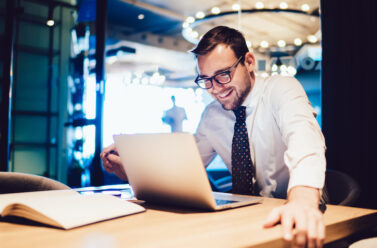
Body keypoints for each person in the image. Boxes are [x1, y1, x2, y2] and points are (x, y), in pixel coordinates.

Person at [101, 26, 327, 248]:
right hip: (246, 217)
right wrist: (133, 168)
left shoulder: (281, 88)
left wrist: (302, 201)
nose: (215, 88)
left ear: (249, 62)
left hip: (295, 209)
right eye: (206, 80)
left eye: (223, 75)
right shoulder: (212, 115)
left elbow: (305, 140)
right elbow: (184, 168)